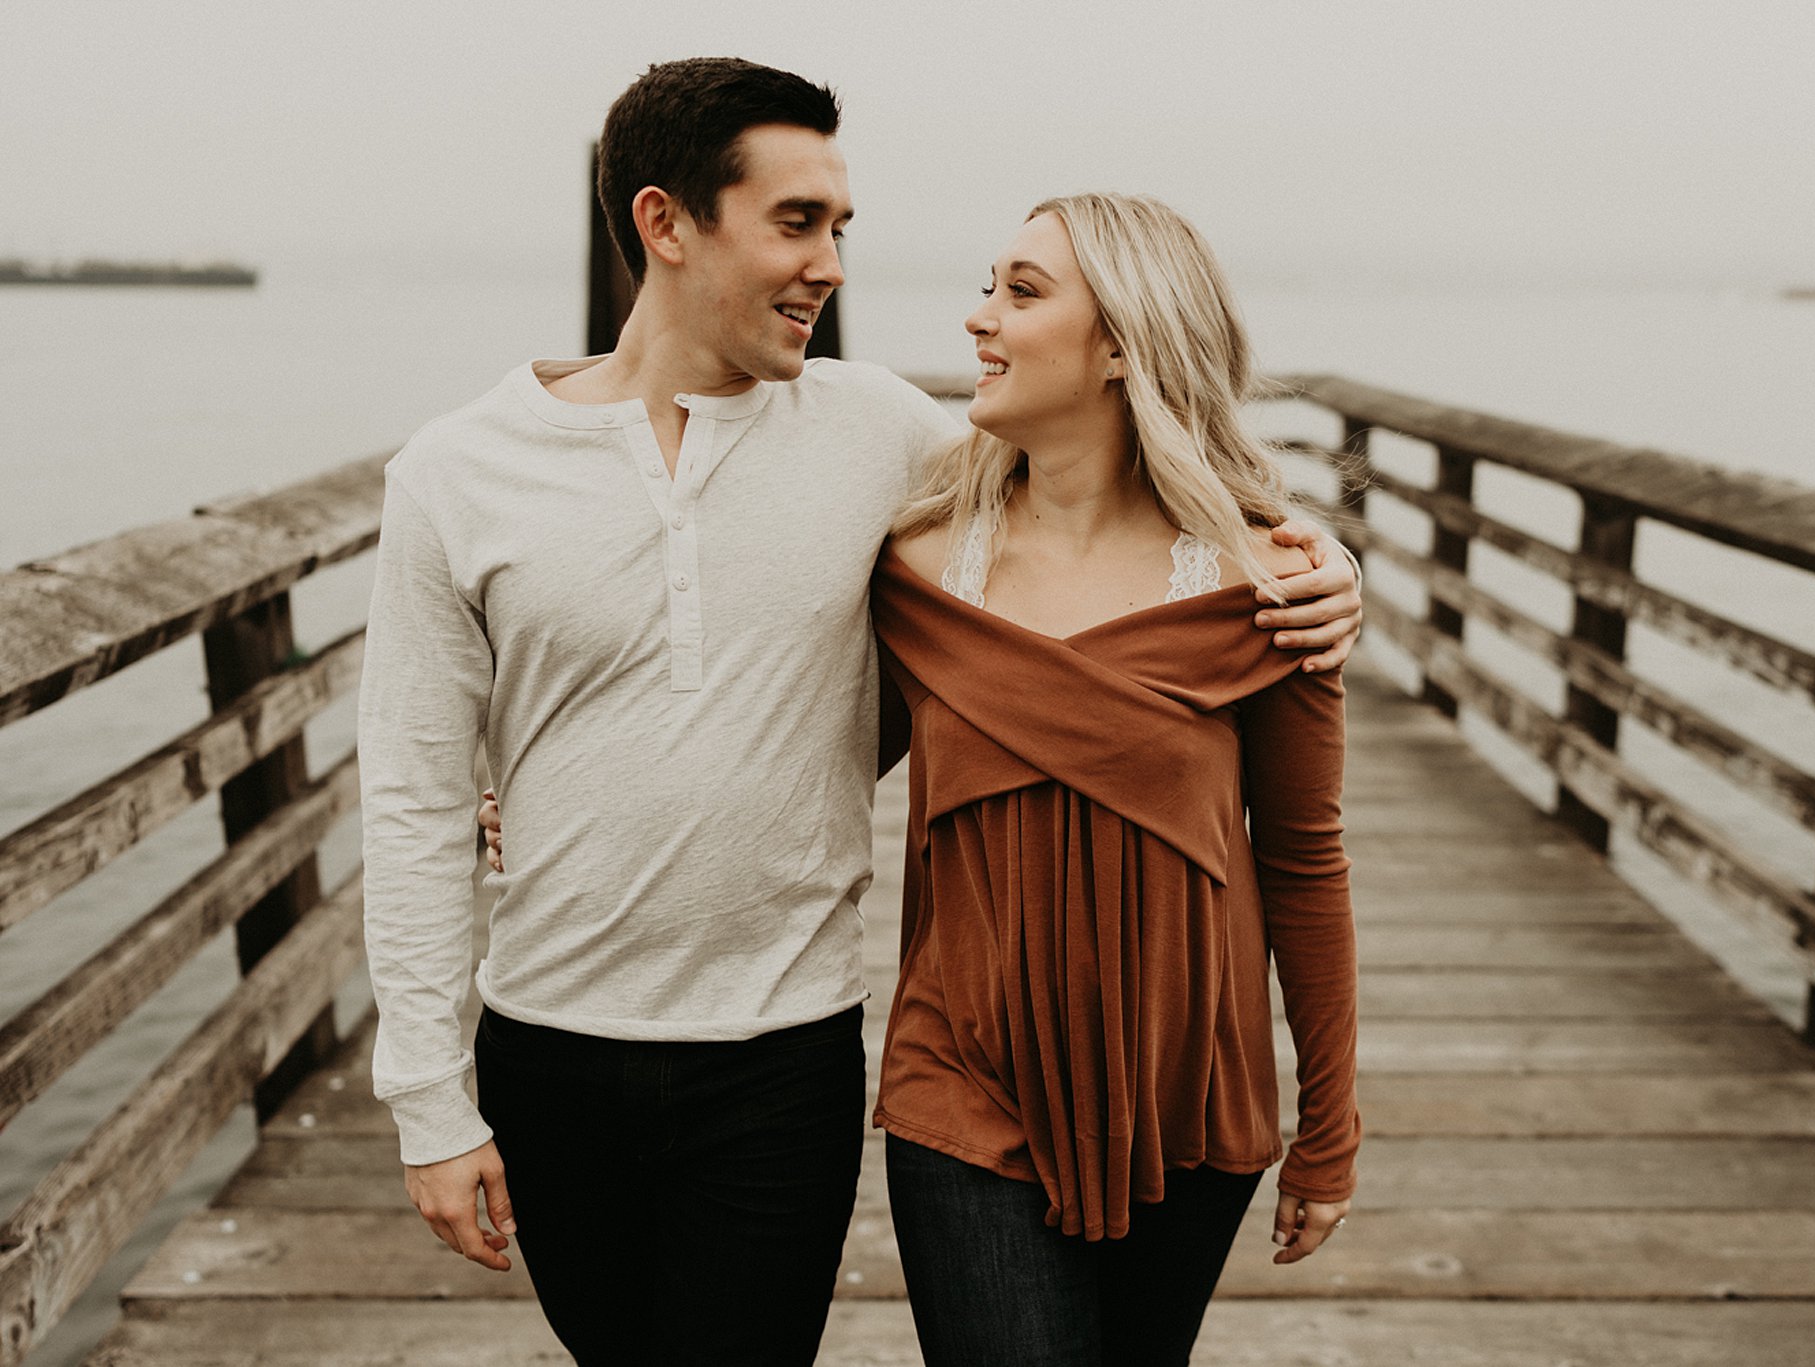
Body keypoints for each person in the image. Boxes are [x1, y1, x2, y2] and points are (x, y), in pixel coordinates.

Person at [359, 58, 1363, 1367]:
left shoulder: (884, 434)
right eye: (796, 222)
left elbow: (1103, 475)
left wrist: (1326, 561)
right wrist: (428, 1098)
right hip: (549, 1038)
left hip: (787, 1046)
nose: (831, 262)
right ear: (666, 223)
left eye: (842, 227)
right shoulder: (455, 471)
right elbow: (415, 797)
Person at [869, 193, 1360, 1366]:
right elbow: (796, 743)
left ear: (1123, 345)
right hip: (962, 1080)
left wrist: (1328, 1128)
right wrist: (550, 798)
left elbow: (1302, 857)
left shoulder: (1266, 585)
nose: (978, 318)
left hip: (1184, 1094)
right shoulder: (918, 567)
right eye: (990, 284)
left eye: (1022, 292)